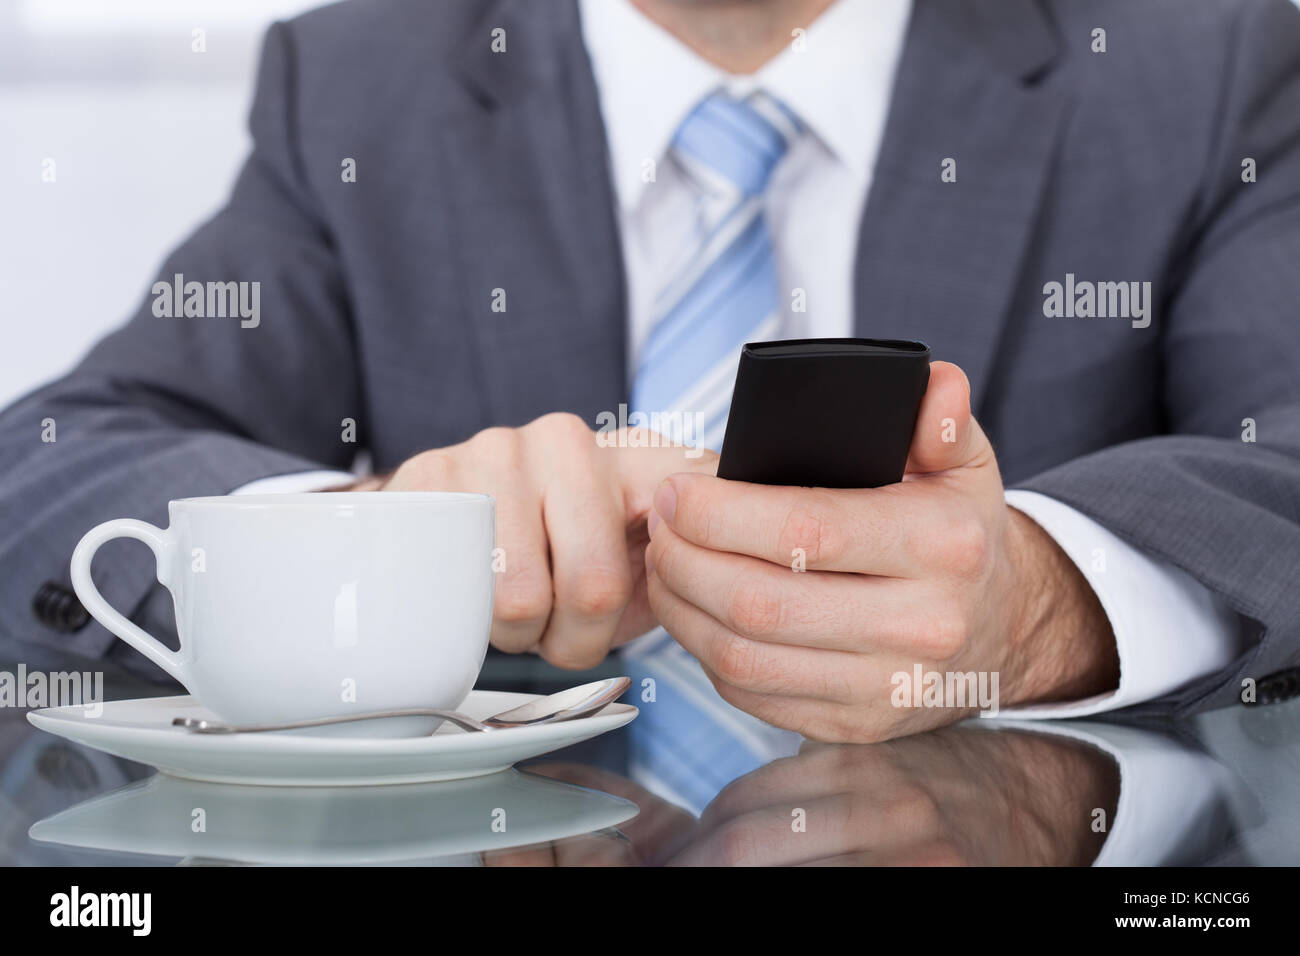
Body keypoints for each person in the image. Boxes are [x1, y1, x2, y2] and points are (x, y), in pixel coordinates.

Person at [2, 0, 1299, 755]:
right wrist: (373, 540)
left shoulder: (1206, 65)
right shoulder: (360, 87)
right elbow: (51, 466)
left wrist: (1045, 604)